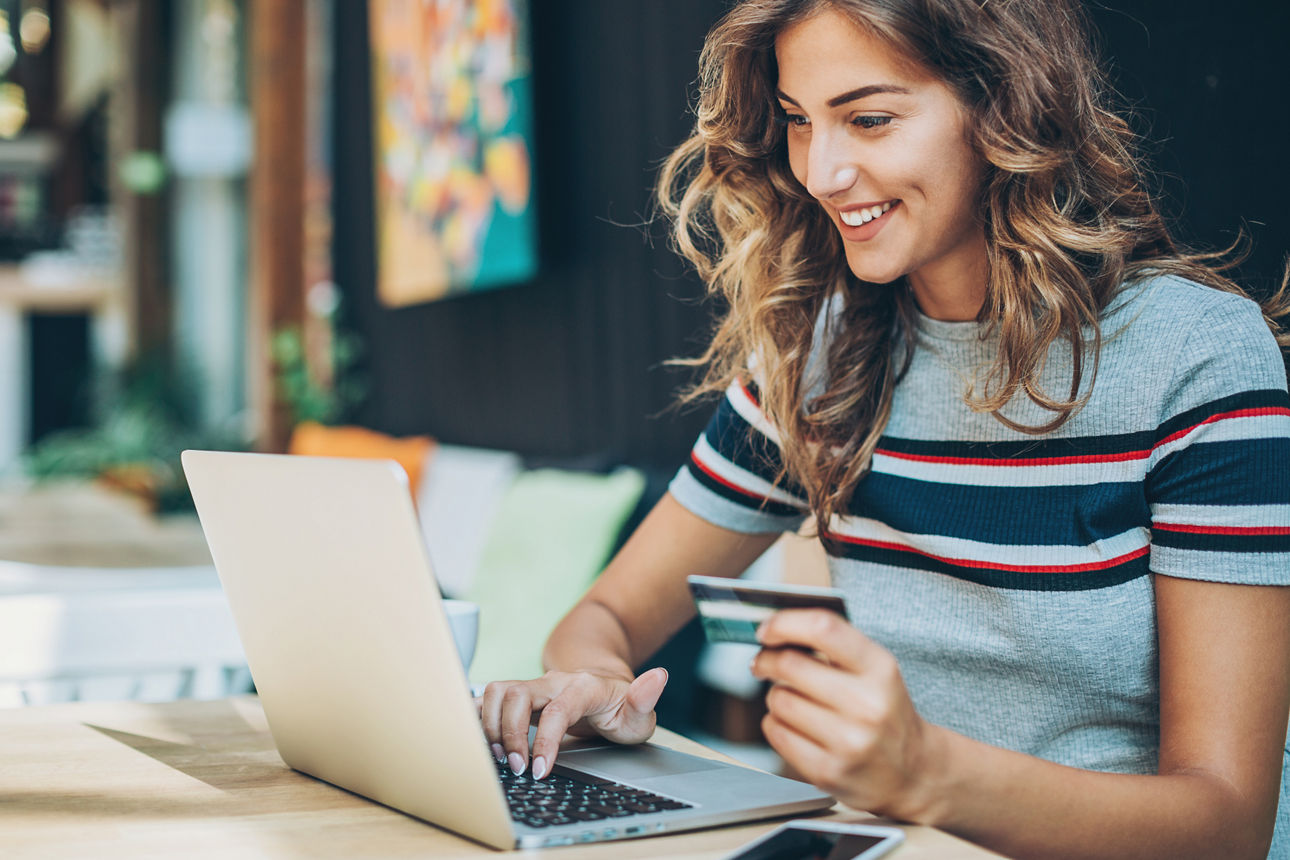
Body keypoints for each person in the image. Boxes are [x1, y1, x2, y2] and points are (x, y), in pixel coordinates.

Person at [477, 1, 1290, 857]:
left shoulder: (1193, 357)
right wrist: (600, 687)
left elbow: (1227, 823)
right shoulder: (818, 361)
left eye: (869, 119)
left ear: (1003, 107)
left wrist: (927, 773)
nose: (822, 172)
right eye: (799, 121)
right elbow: (603, 613)